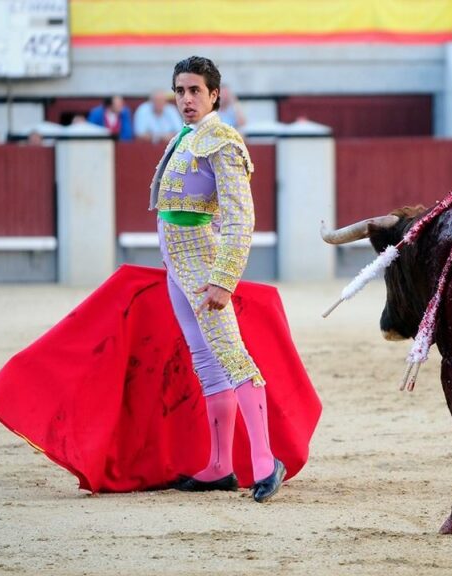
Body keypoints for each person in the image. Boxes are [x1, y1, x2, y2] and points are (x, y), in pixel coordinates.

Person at [148, 56, 285, 501]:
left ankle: (265, 461)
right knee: (206, 361)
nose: (186, 99)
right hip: (176, 265)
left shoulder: (223, 140)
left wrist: (224, 280)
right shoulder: (185, 139)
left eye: (195, 91)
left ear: (214, 95)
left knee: (232, 355)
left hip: (204, 265)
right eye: (180, 91)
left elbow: (241, 218)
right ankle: (220, 464)